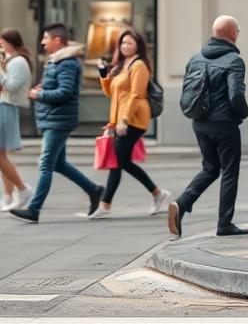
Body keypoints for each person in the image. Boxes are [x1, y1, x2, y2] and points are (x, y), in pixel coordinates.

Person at [9, 24, 104, 223]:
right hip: (53, 118)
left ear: (57, 40)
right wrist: (43, 88)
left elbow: (65, 92)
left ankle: (34, 209)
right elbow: (58, 87)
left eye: (45, 38)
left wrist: (39, 94)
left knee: (45, 164)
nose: (42, 42)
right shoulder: (55, 62)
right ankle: (94, 190)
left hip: (59, 120)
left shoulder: (67, 63)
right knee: (58, 164)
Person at [168, 15, 248, 239]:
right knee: (229, 171)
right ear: (233, 33)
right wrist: (243, 113)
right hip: (224, 125)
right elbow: (236, 96)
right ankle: (224, 223)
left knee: (210, 168)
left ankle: (182, 203)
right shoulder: (234, 60)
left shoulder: (195, 58)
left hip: (200, 124)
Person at [89, 29, 170, 219]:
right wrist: (103, 73)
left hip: (134, 119)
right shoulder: (121, 65)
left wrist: (124, 120)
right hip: (121, 120)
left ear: (138, 46)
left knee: (117, 162)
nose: (125, 46)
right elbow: (111, 93)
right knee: (122, 161)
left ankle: (105, 205)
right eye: (123, 43)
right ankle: (158, 193)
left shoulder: (139, 65)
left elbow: (136, 94)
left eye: (130, 43)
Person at [0, 29, 33, 211]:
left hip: (6, 108)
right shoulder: (11, 60)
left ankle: (22, 189)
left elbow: (11, 86)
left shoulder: (19, 62)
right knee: (2, 156)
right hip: (3, 106)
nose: (0, 45)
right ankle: (7, 196)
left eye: (2, 41)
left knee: (0, 156)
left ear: (11, 42)